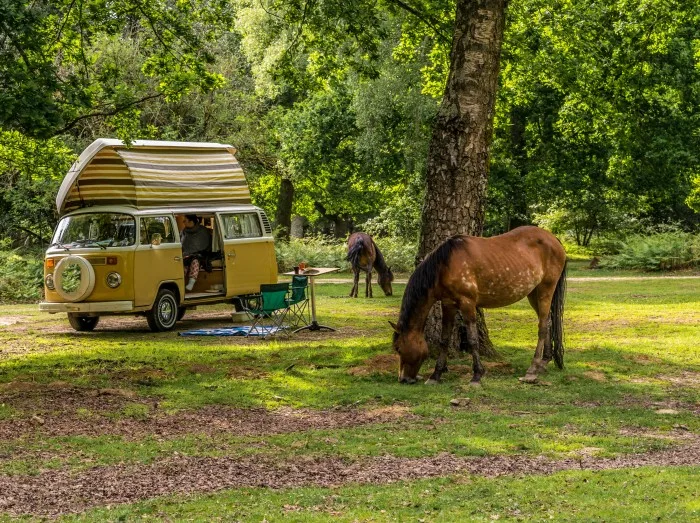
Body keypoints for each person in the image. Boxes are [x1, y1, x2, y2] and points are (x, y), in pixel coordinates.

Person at [180, 215, 211, 291]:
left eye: (185, 221)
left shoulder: (203, 231)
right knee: (182, 264)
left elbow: (206, 246)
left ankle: (191, 282)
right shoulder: (183, 232)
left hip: (199, 255)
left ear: (191, 221)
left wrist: (195, 252)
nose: (183, 222)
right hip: (186, 255)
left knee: (195, 261)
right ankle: (180, 283)